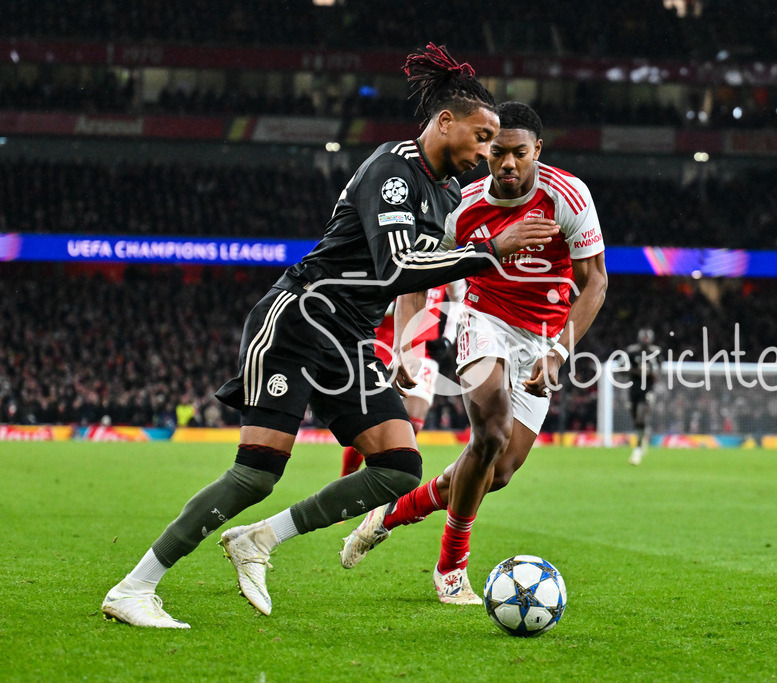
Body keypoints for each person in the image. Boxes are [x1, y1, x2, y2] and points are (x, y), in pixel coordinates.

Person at [100, 45, 560, 629]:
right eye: (481, 135)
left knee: (398, 466)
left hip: (350, 338)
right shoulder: (391, 172)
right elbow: (397, 267)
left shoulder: (445, 196)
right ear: (446, 121)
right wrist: (490, 250)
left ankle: (259, 540)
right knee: (255, 473)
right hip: (298, 321)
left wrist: (408, 343)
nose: (486, 151)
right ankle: (135, 588)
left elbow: (419, 276)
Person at [340, 101, 607, 604]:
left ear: (537, 151)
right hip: (483, 319)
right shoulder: (462, 205)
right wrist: (405, 344)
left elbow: (595, 283)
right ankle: (451, 568)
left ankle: (393, 513)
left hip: (543, 340)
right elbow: (414, 275)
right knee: (491, 428)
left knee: (497, 470)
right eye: (497, 152)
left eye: (519, 154)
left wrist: (558, 353)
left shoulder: (569, 196)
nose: (507, 164)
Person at [339, 280, 465, 477]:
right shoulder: (397, 254)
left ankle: (390, 488)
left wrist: (448, 338)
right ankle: (346, 483)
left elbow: (459, 297)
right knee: (367, 427)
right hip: (384, 348)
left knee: (413, 424)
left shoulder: (449, 256)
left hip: (424, 352)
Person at [626, 328, 660, 465]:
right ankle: (643, 436)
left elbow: (659, 371)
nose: (645, 340)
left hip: (648, 389)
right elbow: (622, 368)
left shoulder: (655, 352)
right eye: (644, 337)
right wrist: (636, 371)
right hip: (634, 389)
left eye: (648, 337)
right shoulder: (632, 351)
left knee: (641, 415)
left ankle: (638, 449)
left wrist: (651, 371)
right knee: (636, 419)